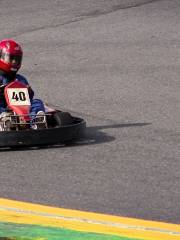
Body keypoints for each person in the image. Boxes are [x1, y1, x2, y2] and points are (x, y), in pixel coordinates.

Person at [0, 39, 45, 120]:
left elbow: (28, 100)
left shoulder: (21, 79)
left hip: (20, 110)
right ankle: (4, 119)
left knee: (38, 102)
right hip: (3, 108)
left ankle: (36, 121)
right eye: (11, 58)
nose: (14, 62)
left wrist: (29, 92)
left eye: (16, 59)